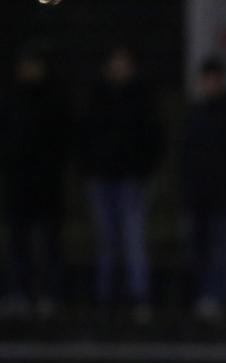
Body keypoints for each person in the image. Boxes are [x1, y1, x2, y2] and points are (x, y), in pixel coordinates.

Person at [78, 46, 160, 322]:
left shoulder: (142, 97)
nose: (119, 68)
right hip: (102, 178)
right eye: (115, 62)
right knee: (106, 240)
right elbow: (84, 134)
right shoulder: (96, 96)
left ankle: (139, 296)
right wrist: (89, 168)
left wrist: (144, 168)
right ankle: (105, 296)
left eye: (124, 63)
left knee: (133, 237)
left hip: (131, 178)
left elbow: (153, 136)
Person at [0, 44, 69, 320]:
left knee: (49, 245)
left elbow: (63, 139)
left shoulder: (54, 99)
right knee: (17, 244)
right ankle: (18, 293)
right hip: (18, 184)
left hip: (47, 184)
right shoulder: (10, 99)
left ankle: (50, 295)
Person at [180, 56, 226, 322]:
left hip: (223, 196)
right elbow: (185, 155)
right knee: (199, 249)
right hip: (198, 196)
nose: (210, 84)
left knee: (222, 250)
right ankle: (201, 297)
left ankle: (218, 298)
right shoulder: (195, 113)